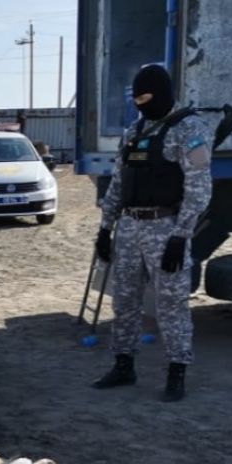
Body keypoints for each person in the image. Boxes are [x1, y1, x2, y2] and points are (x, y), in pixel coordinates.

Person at [92, 63, 213, 401]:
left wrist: (181, 235)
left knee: (171, 303)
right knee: (125, 299)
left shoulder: (188, 129)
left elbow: (199, 188)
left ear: (161, 94)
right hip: (130, 226)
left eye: (146, 98)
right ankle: (123, 364)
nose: (141, 105)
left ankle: (176, 372)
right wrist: (106, 228)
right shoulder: (134, 131)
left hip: (166, 226)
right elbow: (119, 181)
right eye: (136, 99)